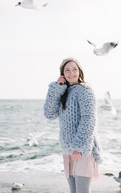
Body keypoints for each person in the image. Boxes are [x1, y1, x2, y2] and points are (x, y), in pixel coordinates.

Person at [44, 57, 102, 193]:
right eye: (67, 70)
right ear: (62, 74)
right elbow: (49, 114)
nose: (72, 73)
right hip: (67, 150)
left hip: (82, 151)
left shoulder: (85, 91)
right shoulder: (63, 92)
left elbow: (89, 119)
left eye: (74, 69)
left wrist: (79, 147)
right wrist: (57, 88)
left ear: (80, 71)